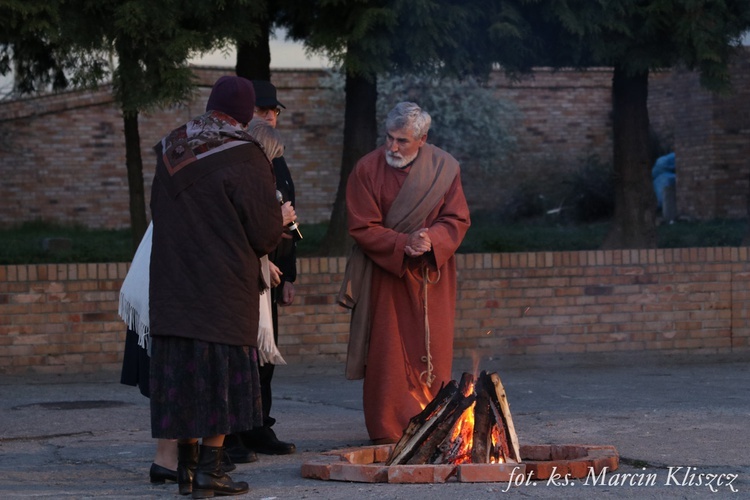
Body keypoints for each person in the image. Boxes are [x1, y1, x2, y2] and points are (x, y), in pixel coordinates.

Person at [148, 75, 283, 498]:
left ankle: (186, 472)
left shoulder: (172, 146)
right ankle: (211, 472)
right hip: (222, 291)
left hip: (172, 288)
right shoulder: (246, 154)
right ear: (245, 114)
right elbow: (264, 233)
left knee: (182, 382)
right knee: (219, 383)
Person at [338, 101, 471, 444]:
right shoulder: (366, 169)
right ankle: (387, 430)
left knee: (434, 352)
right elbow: (361, 225)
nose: (392, 147)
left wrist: (432, 238)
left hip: (432, 276)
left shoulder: (445, 167)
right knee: (388, 353)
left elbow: (456, 219)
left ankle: (433, 426)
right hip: (386, 275)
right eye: (389, 138)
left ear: (423, 138)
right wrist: (401, 244)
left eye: (402, 141)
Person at [226, 80, 298, 457]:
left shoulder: (277, 157)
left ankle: (259, 425)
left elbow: (290, 223)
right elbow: (248, 220)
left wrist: (290, 275)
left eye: (274, 111)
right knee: (245, 352)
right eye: (261, 110)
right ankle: (233, 432)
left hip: (273, 269)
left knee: (266, 355)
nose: (269, 115)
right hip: (248, 269)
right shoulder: (243, 159)